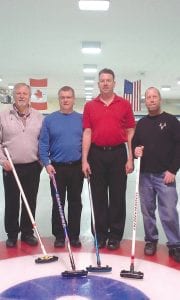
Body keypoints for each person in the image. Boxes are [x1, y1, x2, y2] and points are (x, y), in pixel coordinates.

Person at [82, 68, 135, 250]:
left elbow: (130, 131)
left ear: (114, 83)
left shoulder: (125, 104)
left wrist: (130, 158)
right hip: (96, 154)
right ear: (98, 84)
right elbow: (87, 132)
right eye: (102, 80)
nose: (105, 83)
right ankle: (100, 235)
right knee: (97, 197)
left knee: (117, 196)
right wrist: (84, 160)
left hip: (118, 154)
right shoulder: (90, 106)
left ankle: (114, 236)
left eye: (108, 80)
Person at [132, 87, 180, 262]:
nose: (151, 100)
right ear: (145, 101)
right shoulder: (142, 123)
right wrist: (135, 150)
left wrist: (173, 170)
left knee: (168, 212)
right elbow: (135, 144)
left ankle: (175, 244)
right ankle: (151, 240)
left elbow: (178, 146)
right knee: (148, 211)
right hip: (145, 175)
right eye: (148, 97)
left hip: (164, 175)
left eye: (154, 97)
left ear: (160, 99)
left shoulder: (171, 121)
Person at [39, 86, 84, 248]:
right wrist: (47, 163)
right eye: (62, 97)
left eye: (68, 97)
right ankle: (59, 235)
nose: (65, 100)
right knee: (58, 202)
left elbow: (87, 143)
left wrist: (86, 163)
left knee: (75, 202)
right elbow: (43, 143)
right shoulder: (50, 120)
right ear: (59, 99)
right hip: (56, 168)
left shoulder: (81, 119)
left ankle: (74, 236)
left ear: (73, 99)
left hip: (76, 167)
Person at [0, 83, 43, 248]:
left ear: (30, 96)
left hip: (33, 166)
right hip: (10, 167)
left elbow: (43, 141)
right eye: (18, 93)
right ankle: (12, 234)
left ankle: (27, 233)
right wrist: (3, 161)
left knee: (30, 201)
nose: (21, 96)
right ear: (14, 95)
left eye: (25, 93)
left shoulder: (39, 117)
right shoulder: (3, 116)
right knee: (11, 202)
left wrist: (40, 162)